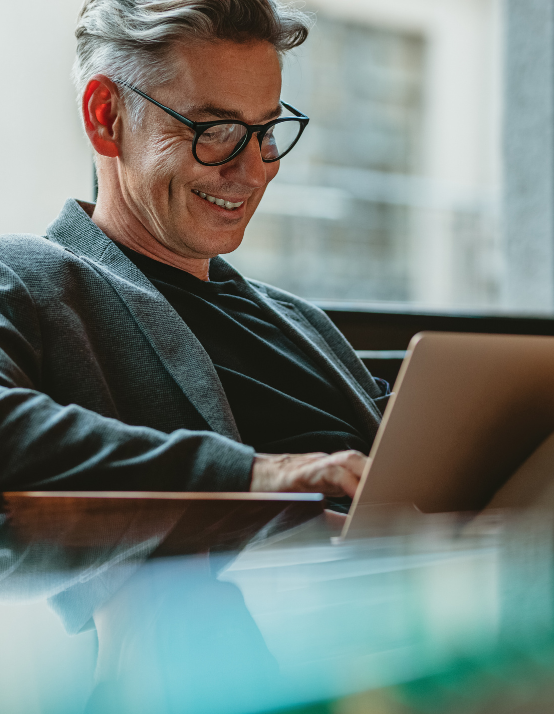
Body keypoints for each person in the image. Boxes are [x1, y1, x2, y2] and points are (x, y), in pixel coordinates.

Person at [0, 0, 389, 509]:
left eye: (265, 132)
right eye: (216, 132)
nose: (253, 173)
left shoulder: (302, 322)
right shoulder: (26, 279)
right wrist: (256, 476)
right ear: (106, 116)